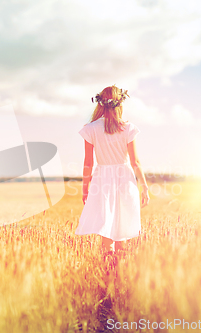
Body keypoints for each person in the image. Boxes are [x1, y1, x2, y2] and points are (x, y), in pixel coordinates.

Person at [75, 85, 150, 257]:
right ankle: (119, 276)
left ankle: (106, 275)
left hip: (102, 180)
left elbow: (88, 163)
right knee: (121, 232)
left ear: (100, 103)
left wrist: (85, 188)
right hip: (125, 179)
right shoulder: (128, 128)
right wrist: (144, 187)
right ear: (120, 104)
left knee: (106, 231)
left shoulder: (91, 128)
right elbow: (135, 162)